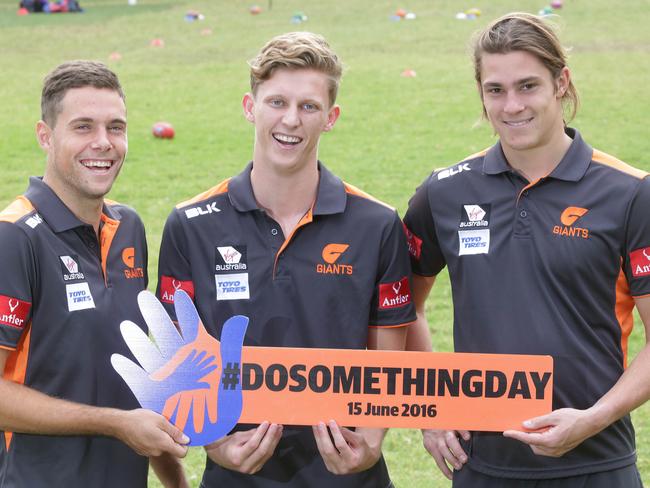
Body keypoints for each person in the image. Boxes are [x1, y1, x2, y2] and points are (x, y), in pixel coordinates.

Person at [156, 31, 416, 487]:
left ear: (331, 117)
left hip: (347, 470)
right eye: (276, 102)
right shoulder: (190, 224)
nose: (291, 120)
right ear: (249, 107)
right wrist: (212, 441)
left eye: (309, 107)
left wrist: (372, 440)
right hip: (237, 469)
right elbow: (178, 348)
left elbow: (388, 350)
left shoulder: (375, 223)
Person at [403, 12, 650, 488]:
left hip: (597, 463)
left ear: (562, 83)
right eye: (495, 90)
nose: (511, 105)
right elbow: (400, 310)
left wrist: (594, 418)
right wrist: (429, 409)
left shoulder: (630, 193)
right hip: (481, 466)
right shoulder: (443, 193)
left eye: (528, 86)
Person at [0, 60, 189, 487]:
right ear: (45, 136)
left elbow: (134, 375)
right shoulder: (14, 238)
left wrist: (176, 481)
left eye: (115, 128)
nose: (103, 143)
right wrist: (115, 423)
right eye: (83, 127)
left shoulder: (129, 229)